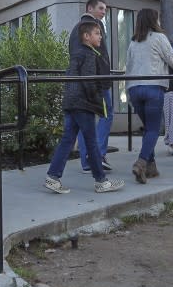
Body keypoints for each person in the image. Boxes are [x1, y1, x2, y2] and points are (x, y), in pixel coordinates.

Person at [45, 22, 125, 194]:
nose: (100, 37)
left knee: (68, 140)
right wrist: (97, 101)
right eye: (97, 33)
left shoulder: (77, 54)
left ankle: (53, 176)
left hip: (71, 102)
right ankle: (101, 181)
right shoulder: (89, 55)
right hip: (83, 104)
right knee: (92, 142)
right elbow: (89, 82)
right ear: (86, 37)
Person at [125, 8, 173, 184]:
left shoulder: (134, 42)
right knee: (153, 130)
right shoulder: (159, 38)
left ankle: (151, 168)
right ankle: (141, 163)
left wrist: (127, 92)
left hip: (135, 89)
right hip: (153, 88)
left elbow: (128, 67)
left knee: (148, 128)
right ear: (153, 20)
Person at [68, 0, 114, 173]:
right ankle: (98, 155)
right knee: (106, 114)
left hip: (80, 80)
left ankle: (87, 162)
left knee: (85, 119)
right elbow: (100, 55)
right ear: (90, 8)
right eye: (101, 8)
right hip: (96, 80)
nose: (104, 12)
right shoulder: (93, 27)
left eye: (105, 9)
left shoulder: (76, 29)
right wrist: (104, 79)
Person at [161, 71, 173, 156]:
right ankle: (170, 142)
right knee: (171, 118)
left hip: (168, 89)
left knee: (169, 118)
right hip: (170, 89)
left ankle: (170, 141)